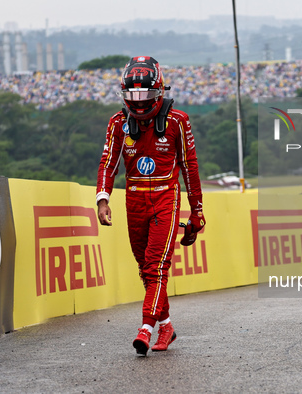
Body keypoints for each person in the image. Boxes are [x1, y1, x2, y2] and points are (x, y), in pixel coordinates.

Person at [96, 56, 205, 356]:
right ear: (124, 94)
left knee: (157, 265)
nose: (140, 101)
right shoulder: (118, 123)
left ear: (159, 91)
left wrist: (197, 212)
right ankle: (166, 325)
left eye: (145, 95)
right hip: (133, 199)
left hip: (165, 197)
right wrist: (103, 198)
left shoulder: (177, 121)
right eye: (133, 95)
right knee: (146, 268)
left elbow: (190, 167)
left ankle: (146, 328)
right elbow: (108, 163)